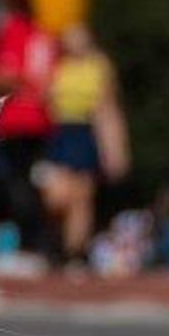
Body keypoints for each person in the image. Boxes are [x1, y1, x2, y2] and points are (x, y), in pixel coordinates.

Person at [0, 0, 57, 255]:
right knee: (15, 185)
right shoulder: (31, 32)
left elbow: (7, 77)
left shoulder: (22, 31)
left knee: (18, 186)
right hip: (22, 121)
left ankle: (28, 244)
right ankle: (24, 244)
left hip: (22, 122)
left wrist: (11, 80)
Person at [42, 24, 127, 266]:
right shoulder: (59, 66)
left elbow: (108, 109)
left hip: (86, 132)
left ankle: (74, 253)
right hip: (60, 133)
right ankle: (59, 244)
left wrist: (115, 150)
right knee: (56, 197)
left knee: (82, 197)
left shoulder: (99, 67)